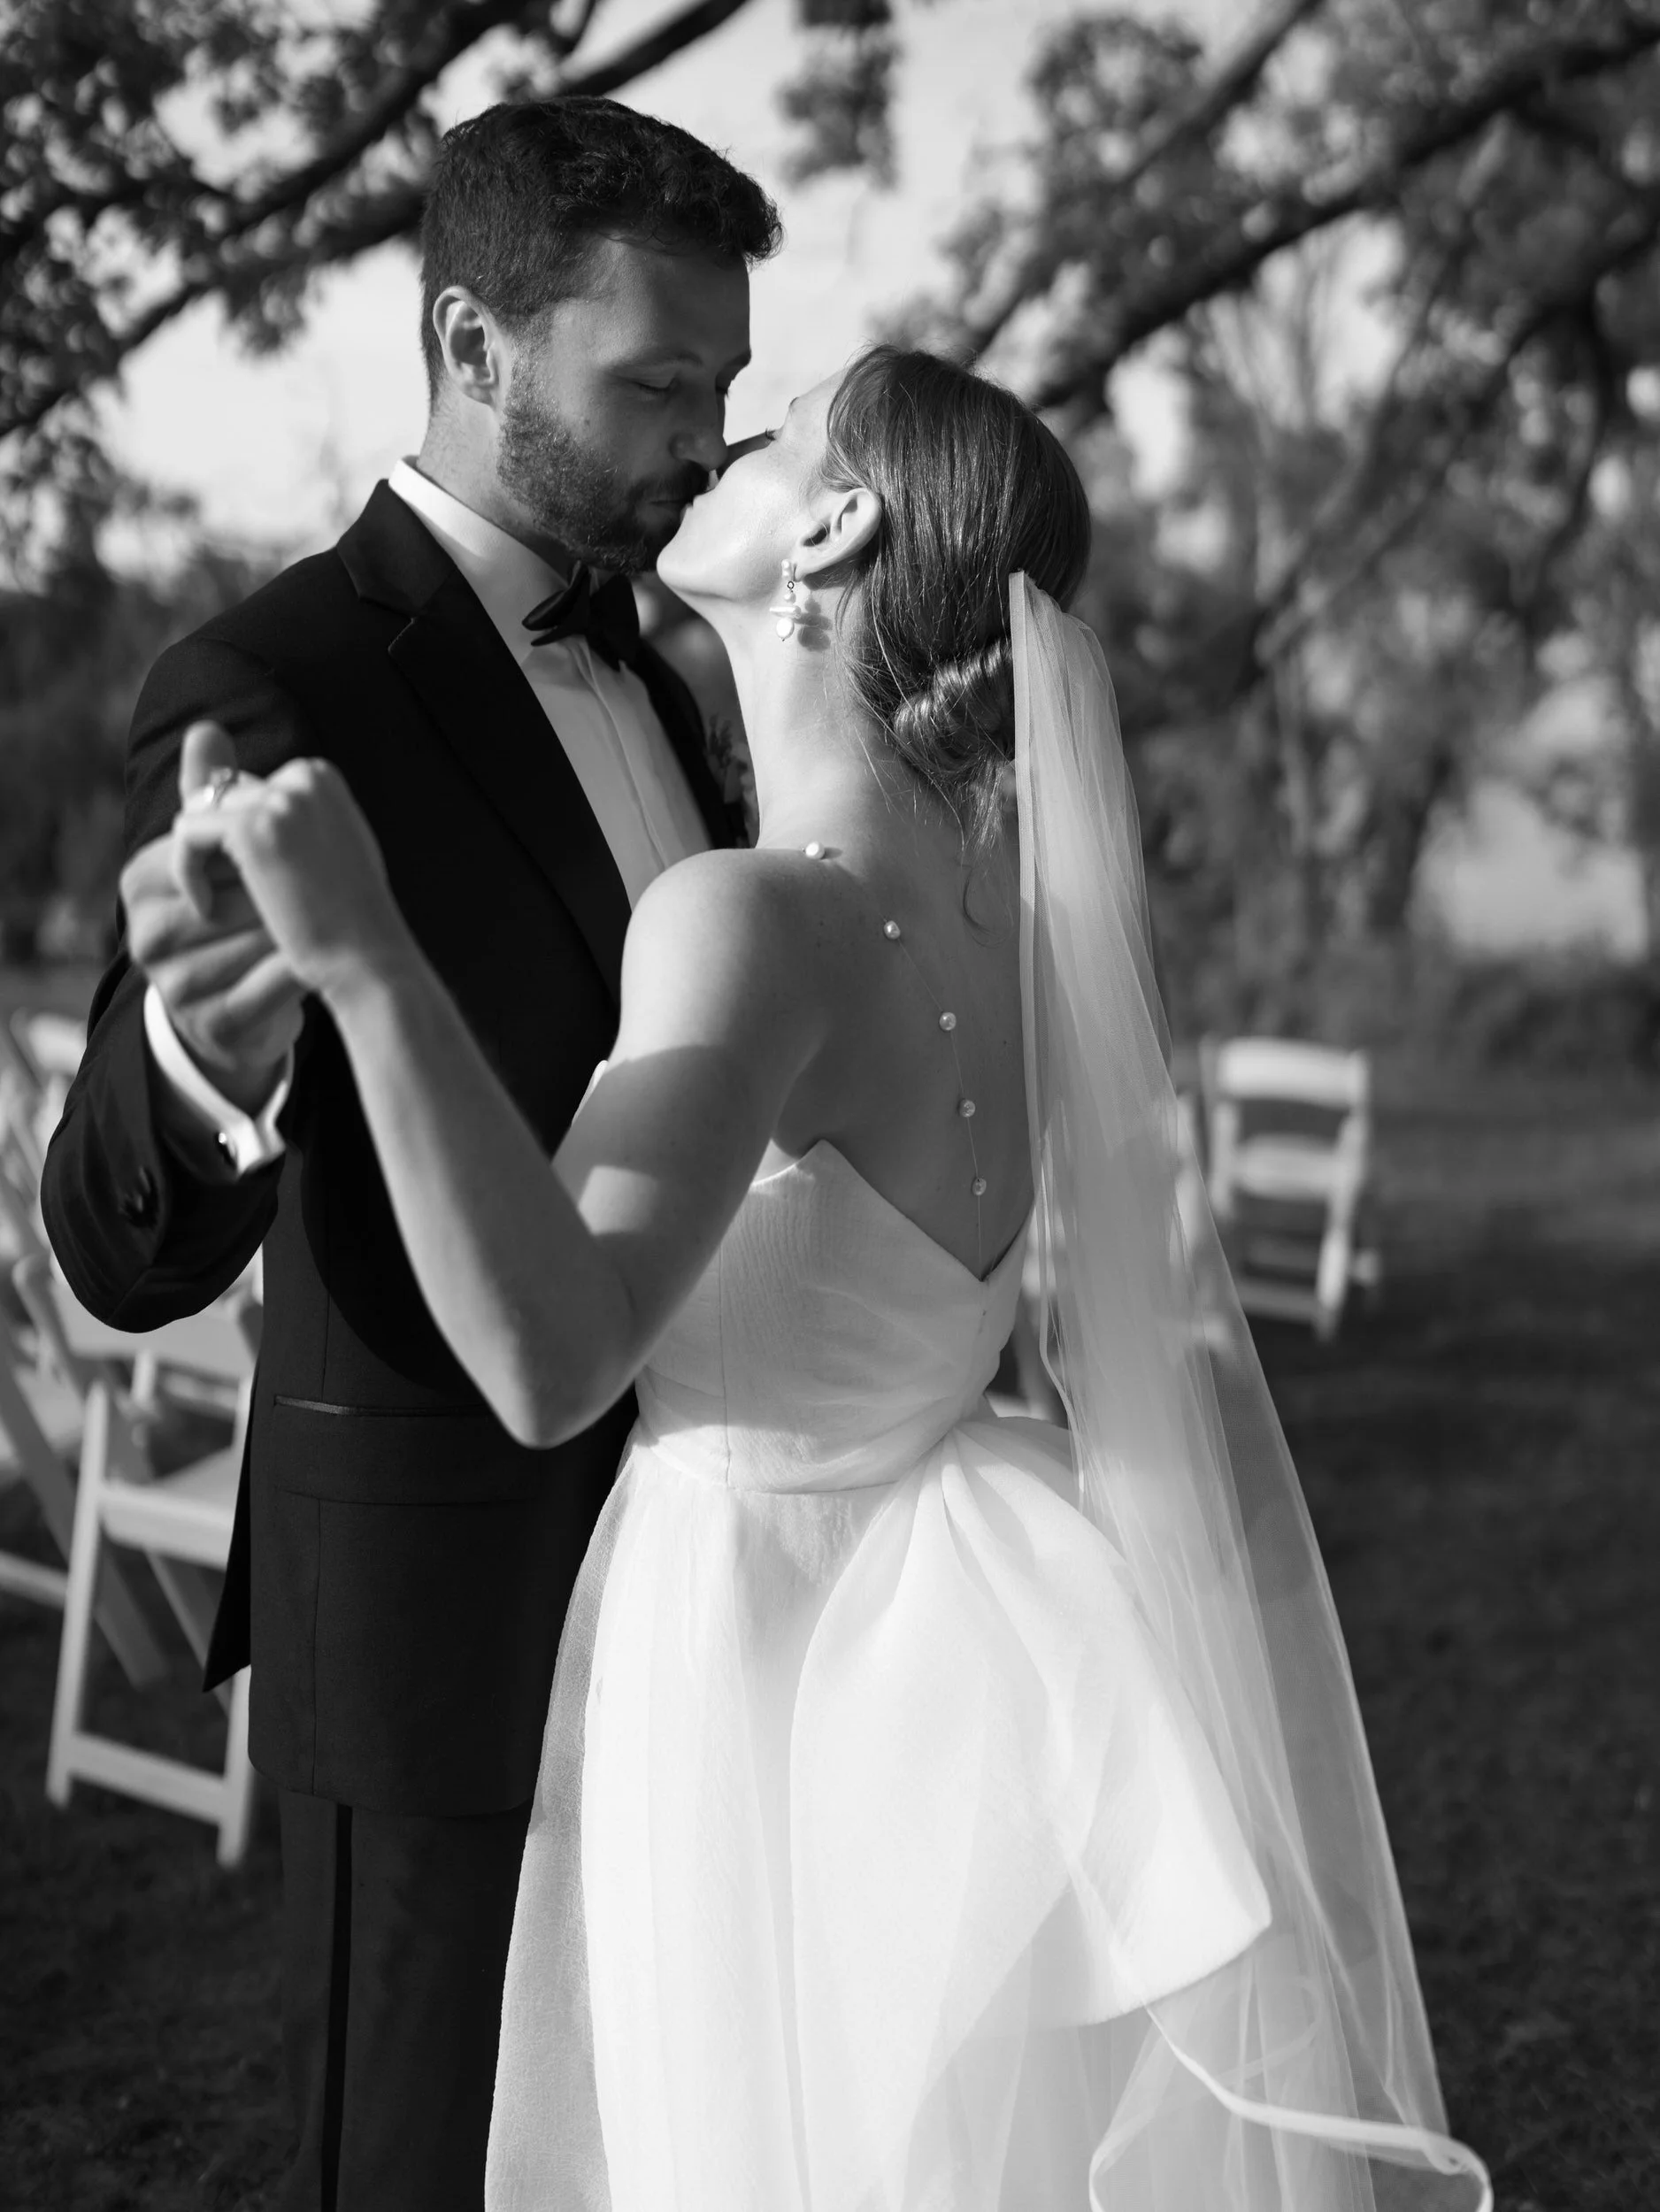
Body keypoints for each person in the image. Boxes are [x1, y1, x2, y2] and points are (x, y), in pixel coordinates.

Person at [166, 345, 1492, 2211]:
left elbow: (555, 1357)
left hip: (743, 1660)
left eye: (762, 419)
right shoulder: (999, 917)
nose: (709, 437)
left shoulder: (750, 915)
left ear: (834, 521)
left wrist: (365, 957)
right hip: (948, 1671)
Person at [41, 98, 778, 2211]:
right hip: (445, 1611)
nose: (701, 444)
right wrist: (204, 1038)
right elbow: (112, 1238)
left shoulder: (676, 661)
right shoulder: (271, 679)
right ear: (470, 341)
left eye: (722, 390)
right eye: (650, 385)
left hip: (719, 1570)